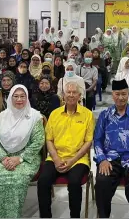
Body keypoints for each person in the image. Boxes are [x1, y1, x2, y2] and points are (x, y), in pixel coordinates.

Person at [94, 79, 129, 218]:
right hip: (110, 159)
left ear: (128, 94)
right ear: (113, 95)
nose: (121, 97)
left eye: (124, 94)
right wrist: (102, 159)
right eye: (117, 94)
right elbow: (97, 140)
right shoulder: (105, 115)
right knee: (102, 182)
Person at [37, 81, 94, 218]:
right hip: (56, 157)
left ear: (80, 96)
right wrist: (56, 159)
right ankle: (45, 216)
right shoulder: (55, 114)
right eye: (68, 92)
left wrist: (73, 160)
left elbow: (88, 141)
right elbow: (49, 139)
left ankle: (75, 216)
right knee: (43, 181)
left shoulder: (87, 115)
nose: (71, 95)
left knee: (74, 182)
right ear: (63, 95)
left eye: (74, 92)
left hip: (79, 159)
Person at [0, 85, 45, 218]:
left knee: (16, 179)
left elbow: (38, 142)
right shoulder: (2, 117)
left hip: (26, 158)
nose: (19, 99)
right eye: (16, 96)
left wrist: (19, 159)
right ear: (10, 98)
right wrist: (3, 158)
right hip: (4, 158)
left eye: (22, 96)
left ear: (27, 98)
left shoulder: (35, 117)